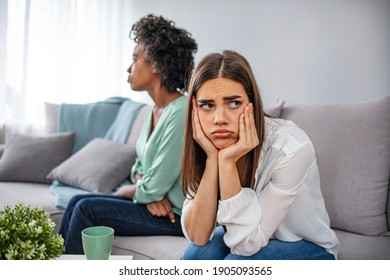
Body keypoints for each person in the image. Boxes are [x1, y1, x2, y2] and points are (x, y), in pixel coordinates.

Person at [180, 50, 340, 260]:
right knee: (197, 256)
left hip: (309, 246)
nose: (219, 118)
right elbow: (198, 236)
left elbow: (246, 245)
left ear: (252, 104)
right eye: (207, 105)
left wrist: (227, 163)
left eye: (234, 103)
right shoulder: (206, 142)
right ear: (195, 110)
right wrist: (212, 160)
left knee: (237, 264)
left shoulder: (291, 147)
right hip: (246, 235)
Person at [59, 14, 197, 254]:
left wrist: (131, 190)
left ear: (155, 65)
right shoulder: (154, 110)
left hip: (176, 216)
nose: (128, 67)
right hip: (153, 205)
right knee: (75, 202)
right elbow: (138, 169)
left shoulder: (181, 112)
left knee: (86, 210)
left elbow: (157, 183)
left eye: (135, 59)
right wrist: (145, 187)